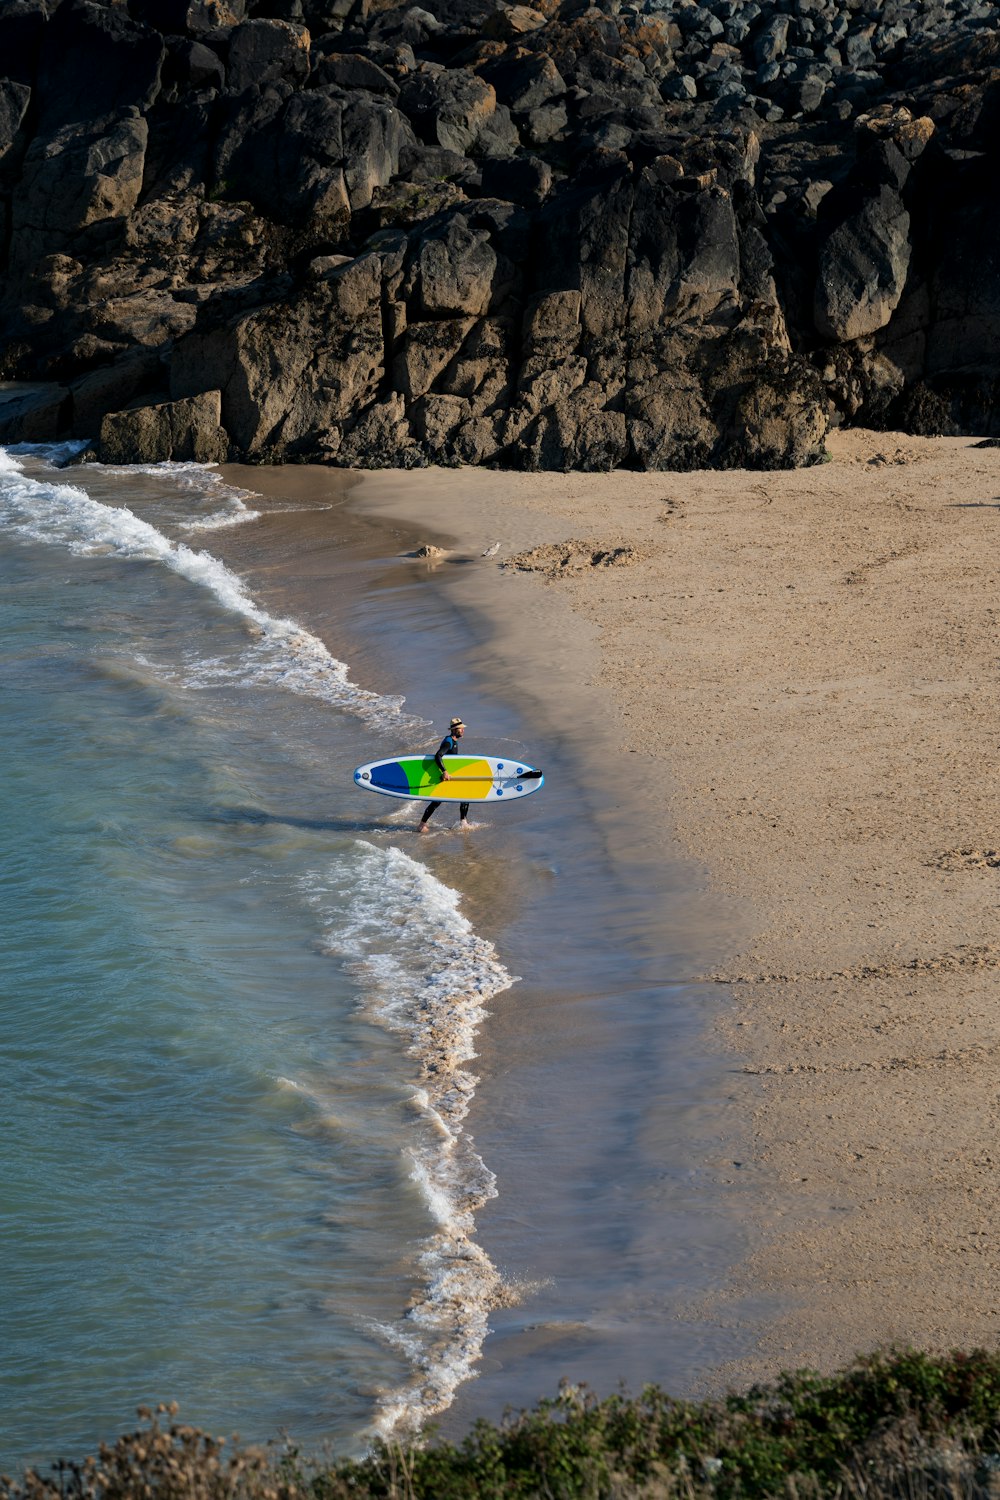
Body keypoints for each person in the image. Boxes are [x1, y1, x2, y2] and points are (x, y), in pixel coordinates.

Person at [418, 717, 470, 832]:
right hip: (445, 776)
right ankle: (422, 825)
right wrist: (444, 771)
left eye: (462, 728)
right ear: (454, 730)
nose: (462, 730)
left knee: (464, 796)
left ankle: (463, 822)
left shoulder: (453, 741)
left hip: (450, 776)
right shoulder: (448, 742)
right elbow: (438, 755)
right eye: (460, 729)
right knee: (437, 800)